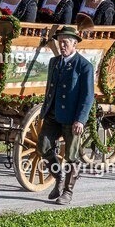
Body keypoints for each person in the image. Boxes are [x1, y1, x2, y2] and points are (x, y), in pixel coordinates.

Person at [39, 25, 94, 206]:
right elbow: (50, 88)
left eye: (66, 42)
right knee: (44, 147)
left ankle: (67, 192)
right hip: (52, 114)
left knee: (71, 156)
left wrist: (80, 119)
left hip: (72, 118)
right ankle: (59, 177)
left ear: (74, 44)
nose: (62, 45)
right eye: (59, 42)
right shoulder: (54, 63)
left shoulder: (84, 66)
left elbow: (87, 96)